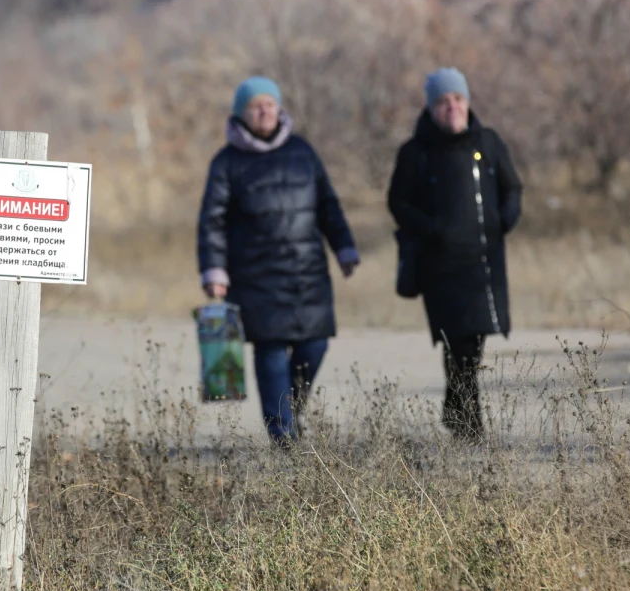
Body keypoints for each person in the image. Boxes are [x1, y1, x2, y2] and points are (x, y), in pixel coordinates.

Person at [197, 76, 360, 447]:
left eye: (270, 104)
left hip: (308, 271)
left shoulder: (302, 151)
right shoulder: (227, 162)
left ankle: (290, 411)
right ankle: (282, 436)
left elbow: (327, 205)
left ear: (279, 108)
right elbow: (213, 221)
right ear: (241, 114)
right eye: (255, 105)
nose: (264, 110)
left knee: (314, 344)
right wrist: (214, 270)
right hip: (254, 274)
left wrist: (345, 248)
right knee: (270, 349)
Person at [386, 67, 523, 443]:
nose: (452, 108)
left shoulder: (489, 142)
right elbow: (397, 202)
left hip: (483, 263)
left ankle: (456, 412)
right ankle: (470, 425)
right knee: (458, 342)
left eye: (458, 100)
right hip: (440, 265)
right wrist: (432, 229)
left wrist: (502, 221)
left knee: (473, 343)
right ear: (431, 108)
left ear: (467, 102)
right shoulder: (415, 152)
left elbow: (513, 188)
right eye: (443, 102)